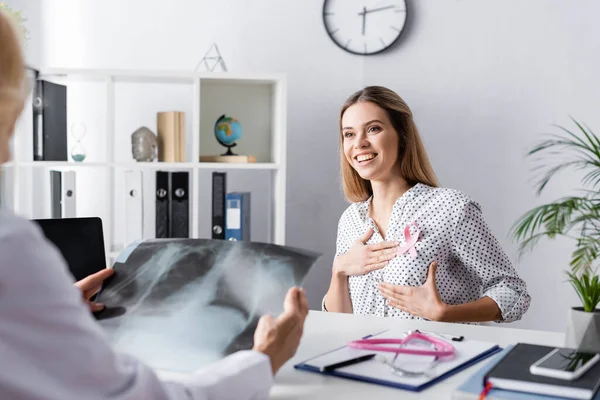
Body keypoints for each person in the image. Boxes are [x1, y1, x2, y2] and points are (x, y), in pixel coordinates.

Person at [0, 10, 307, 399]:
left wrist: (47, 312)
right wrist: (264, 359)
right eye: (9, 122)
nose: (9, 153)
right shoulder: (10, 244)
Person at [323, 86, 531, 324]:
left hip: (439, 359)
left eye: (373, 129)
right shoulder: (350, 220)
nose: (359, 143)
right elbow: (340, 322)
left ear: (402, 136)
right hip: (364, 357)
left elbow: (513, 291)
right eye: (348, 134)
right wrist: (339, 271)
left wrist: (444, 313)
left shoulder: (451, 208)